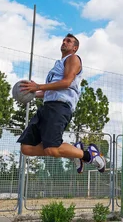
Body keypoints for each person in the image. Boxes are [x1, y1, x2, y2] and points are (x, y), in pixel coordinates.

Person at [17, 33, 105, 173]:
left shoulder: (73, 59)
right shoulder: (57, 65)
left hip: (60, 106)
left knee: (52, 149)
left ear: (75, 48)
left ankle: (89, 155)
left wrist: (38, 86)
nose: (64, 42)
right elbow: (49, 91)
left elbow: (66, 83)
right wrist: (31, 94)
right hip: (47, 106)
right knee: (26, 148)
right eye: (63, 40)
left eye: (68, 41)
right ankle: (73, 152)